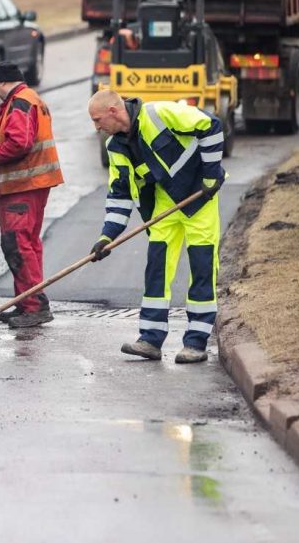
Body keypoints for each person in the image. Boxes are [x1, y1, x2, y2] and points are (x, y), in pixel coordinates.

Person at [87, 89, 224, 363]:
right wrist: (107, 237)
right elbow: (120, 193)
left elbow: (211, 126)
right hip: (164, 205)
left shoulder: (159, 113)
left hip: (200, 198)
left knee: (201, 266)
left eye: (98, 119)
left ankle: (196, 343)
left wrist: (210, 176)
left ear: (114, 111)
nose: (97, 127)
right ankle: (150, 339)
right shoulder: (115, 147)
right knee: (156, 270)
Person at [0, 62, 64, 328]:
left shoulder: (20, 103)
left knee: (17, 244)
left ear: (0, 82)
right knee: (28, 244)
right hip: (33, 185)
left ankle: (34, 306)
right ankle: (25, 303)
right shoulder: (31, 99)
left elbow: (19, 142)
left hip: (23, 186)